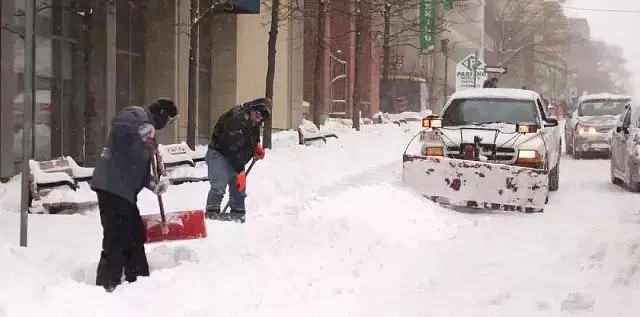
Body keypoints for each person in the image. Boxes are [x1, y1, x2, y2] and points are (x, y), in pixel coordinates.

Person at [90, 98, 177, 292]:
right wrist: (142, 129)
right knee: (117, 237)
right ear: (162, 114)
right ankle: (106, 286)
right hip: (112, 187)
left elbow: (138, 168)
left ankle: (137, 281)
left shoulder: (147, 131)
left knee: (134, 234)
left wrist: (154, 184)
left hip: (123, 190)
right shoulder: (137, 116)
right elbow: (121, 124)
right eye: (169, 121)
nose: (167, 125)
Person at [205, 97, 271, 222]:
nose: (257, 118)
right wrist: (241, 171)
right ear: (252, 108)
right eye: (257, 114)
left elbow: (251, 139)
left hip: (236, 159)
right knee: (219, 184)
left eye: (260, 118)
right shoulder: (237, 118)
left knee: (239, 187)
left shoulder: (252, 122)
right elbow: (233, 148)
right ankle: (211, 215)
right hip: (219, 154)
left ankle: (238, 213)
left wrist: (256, 148)